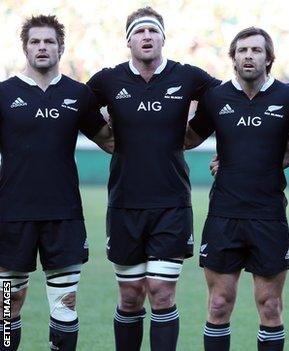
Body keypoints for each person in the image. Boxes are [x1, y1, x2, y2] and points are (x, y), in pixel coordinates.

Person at [86, 7, 221, 351]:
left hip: (171, 204)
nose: (146, 37)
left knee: (161, 292)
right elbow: (75, 107)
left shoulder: (188, 76)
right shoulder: (108, 80)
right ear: (128, 40)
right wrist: (106, 138)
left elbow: (230, 101)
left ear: (163, 38)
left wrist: (203, 139)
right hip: (124, 204)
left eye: (153, 31)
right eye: (139, 32)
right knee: (130, 295)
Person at [184, 27, 289, 351]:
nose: (248, 56)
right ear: (233, 58)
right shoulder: (216, 97)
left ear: (269, 58)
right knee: (219, 304)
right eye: (242, 51)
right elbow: (187, 138)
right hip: (224, 214)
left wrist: (263, 165)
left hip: (268, 216)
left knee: (270, 306)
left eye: (256, 50)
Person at [0, 15, 112, 351]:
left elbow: (111, 142)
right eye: (35, 42)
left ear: (60, 48)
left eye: (49, 41)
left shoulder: (78, 95)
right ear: (25, 48)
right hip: (11, 215)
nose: (42, 47)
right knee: (8, 303)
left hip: (63, 215)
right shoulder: (4, 93)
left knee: (64, 303)